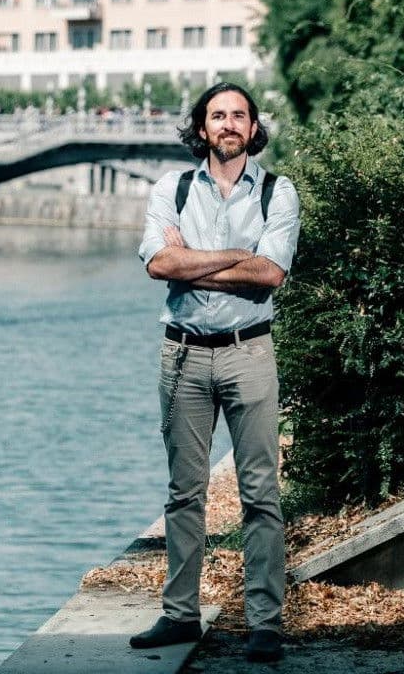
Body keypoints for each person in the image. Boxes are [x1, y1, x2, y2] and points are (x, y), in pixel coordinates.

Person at [131, 82, 300, 664]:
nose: (229, 124)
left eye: (239, 116)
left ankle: (265, 623)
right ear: (201, 128)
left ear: (254, 129)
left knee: (260, 492)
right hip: (182, 354)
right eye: (217, 115)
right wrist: (237, 257)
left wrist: (192, 264)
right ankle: (179, 614)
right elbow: (159, 263)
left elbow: (272, 274)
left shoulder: (279, 192)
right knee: (185, 491)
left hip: (249, 352)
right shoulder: (169, 189)